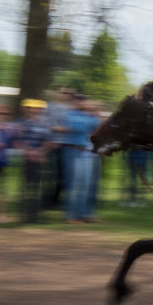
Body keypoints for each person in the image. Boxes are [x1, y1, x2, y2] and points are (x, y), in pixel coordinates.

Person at [62, 96, 102, 224]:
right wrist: (89, 127)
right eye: (79, 101)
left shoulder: (89, 116)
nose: (83, 103)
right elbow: (75, 128)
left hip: (87, 153)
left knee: (86, 185)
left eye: (84, 101)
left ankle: (84, 214)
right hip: (74, 151)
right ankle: (71, 215)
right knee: (74, 185)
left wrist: (96, 114)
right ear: (74, 102)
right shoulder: (70, 114)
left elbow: (100, 127)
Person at [15, 98, 53, 223]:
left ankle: (35, 215)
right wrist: (27, 151)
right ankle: (24, 214)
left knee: (37, 188)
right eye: (29, 108)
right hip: (26, 158)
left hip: (39, 158)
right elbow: (17, 140)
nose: (32, 110)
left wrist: (39, 152)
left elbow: (48, 142)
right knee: (25, 187)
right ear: (25, 109)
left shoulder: (44, 124)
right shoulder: (20, 123)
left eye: (35, 108)